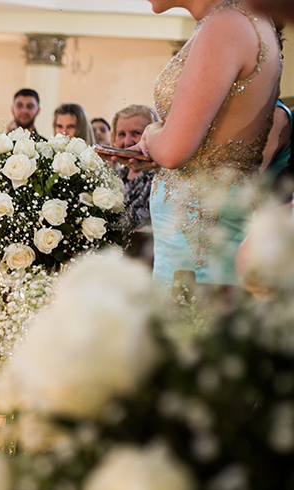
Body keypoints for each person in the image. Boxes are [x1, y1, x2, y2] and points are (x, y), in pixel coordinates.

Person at [136, 0, 280, 287]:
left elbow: (173, 152)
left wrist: (151, 132)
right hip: (203, 225)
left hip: (198, 237)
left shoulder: (226, 25)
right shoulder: (240, 20)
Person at [110, 104, 161, 261]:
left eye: (136, 133)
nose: (127, 141)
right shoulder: (112, 178)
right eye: (121, 134)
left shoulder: (160, 178)